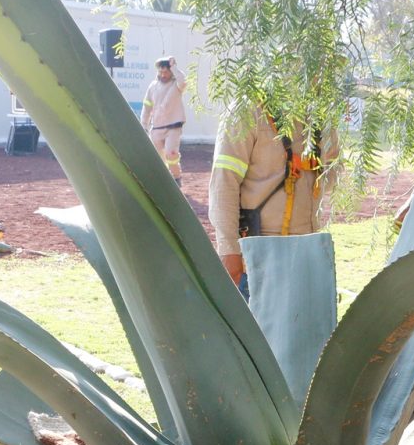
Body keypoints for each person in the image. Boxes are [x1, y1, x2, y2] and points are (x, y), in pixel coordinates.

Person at [208, 105, 339, 293]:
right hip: (258, 257)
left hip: (307, 254)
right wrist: (229, 251)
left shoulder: (319, 111)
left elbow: (334, 169)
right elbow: (224, 184)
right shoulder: (246, 110)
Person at [141, 55, 187, 184]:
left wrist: (174, 67)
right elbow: (147, 106)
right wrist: (144, 124)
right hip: (156, 128)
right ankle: (163, 181)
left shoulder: (177, 85)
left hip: (173, 127)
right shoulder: (153, 86)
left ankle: (176, 177)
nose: (163, 74)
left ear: (171, 71)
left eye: (166, 72)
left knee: (171, 153)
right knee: (157, 157)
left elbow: (183, 81)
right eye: (161, 72)